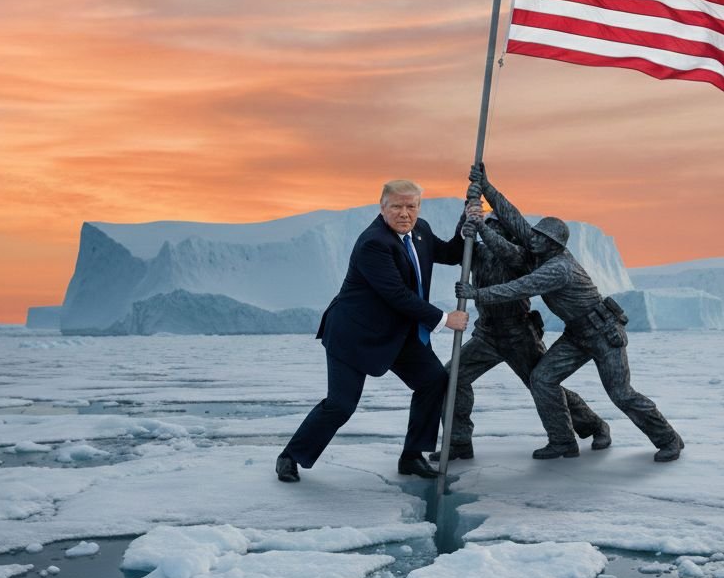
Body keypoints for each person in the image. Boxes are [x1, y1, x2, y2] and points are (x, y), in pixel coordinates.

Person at [455, 165, 684, 462]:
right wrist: (486, 186)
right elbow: (514, 218)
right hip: (576, 334)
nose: (532, 238)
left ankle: (668, 439)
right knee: (542, 379)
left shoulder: (558, 269)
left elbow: (519, 287)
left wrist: (476, 293)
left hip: (603, 334)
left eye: (540, 238)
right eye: (534, 236)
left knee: (621, 393)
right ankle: (563, 441)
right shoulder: (540, 251)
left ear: (554, 245)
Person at [276, 180, 469, 482]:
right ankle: (290, 457)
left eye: (411, 206)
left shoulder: (421, 231)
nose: (405, 213)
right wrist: (445, 319)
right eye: (397, 206)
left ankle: (412, 455)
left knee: (433, 379)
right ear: (382, 207)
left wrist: (466, 222)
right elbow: (396, 295)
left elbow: (450, 253)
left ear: (418, 207)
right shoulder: (374, 243)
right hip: (355, 334)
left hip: (396, 332)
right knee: (340, 405)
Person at [431, 204, 611, 462]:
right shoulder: (477, 252)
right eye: (490, 226)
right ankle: (459, 442)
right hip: (487, 334)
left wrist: (480, 226)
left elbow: (508, 254)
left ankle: (593, 425)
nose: (492, 230)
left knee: (542, 385)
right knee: (452, 378)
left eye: (497, 227)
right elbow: (456, 251)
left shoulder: (522, 256)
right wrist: (466, 222)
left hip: (519, 334)